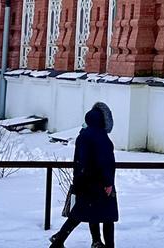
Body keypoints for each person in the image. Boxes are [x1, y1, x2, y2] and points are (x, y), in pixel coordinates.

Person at [50, 102, 118, 248]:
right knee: (107, 216)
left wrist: (79, 179)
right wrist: (108, 182)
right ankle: (107, 245)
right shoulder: (102, 138)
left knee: (78, 214)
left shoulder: (83, 135)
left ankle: (59, 241)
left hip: (84, 181)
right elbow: (105, 162)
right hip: (100, 184)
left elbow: (79, 160)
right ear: (103, 120)